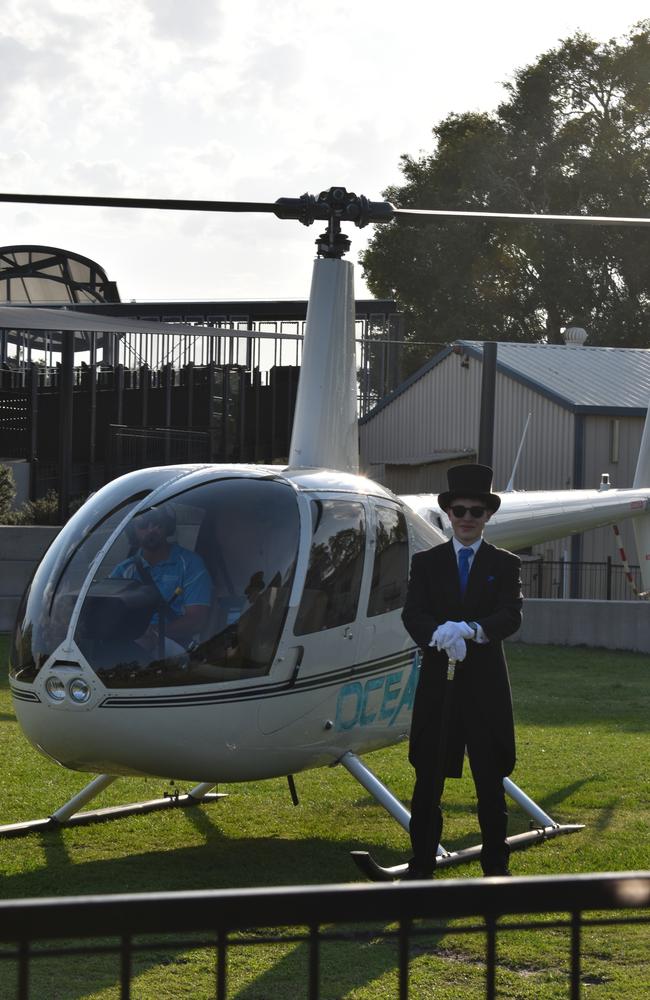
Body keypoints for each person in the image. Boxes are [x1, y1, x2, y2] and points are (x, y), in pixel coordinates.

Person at [401, 463, 523, 878]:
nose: (467, 518)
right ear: (448, 514)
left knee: (489, 781)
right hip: (439, 684)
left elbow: (511, 615)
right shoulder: (427, 562)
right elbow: (412, 613)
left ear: (487, 515)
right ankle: (421, 867)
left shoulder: (504, 564)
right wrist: (436, 634)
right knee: (428, 780)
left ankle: (495, 867)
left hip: (485, 687)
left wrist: (473, 630)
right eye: (459, 510)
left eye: (475, 511)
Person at [111, 505, 212, 656]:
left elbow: (196, 619)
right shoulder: (124, 570)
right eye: (143, 525)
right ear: (133, 531)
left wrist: (154, 633)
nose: (151, 530)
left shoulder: (190, 564)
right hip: (132, 643)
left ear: (167, 527)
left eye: (157, 523)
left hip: (176, 643)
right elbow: (108, 612)